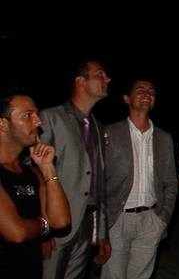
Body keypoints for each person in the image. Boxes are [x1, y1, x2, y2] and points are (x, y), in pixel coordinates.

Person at [39, 60, 113, 279]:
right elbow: (35, 176)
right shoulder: (50, 118)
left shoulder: (99, 127)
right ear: (81, 81)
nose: (107, 79)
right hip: (56, 228)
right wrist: (44, 229)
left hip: (86, 224)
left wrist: (102, 232)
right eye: (100, 74)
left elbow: (100, 183)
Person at [102, 79, 179, 279]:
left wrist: (162, 219)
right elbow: (98, 180)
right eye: (140, 90)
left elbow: (171, 182)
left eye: (151, 91)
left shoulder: (163, 137)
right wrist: (103, 223)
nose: (147, 94)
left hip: (150, 219)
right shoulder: (109, 133)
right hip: (118, 218)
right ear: (126, 98)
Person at [1, 93, 70, 277]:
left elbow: (61, 222)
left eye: (36, 114)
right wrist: (44, 224)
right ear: (3, 124)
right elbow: (17, 233)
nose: (38, 122)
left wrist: (48, 168)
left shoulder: (32, 173)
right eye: (28, 115)